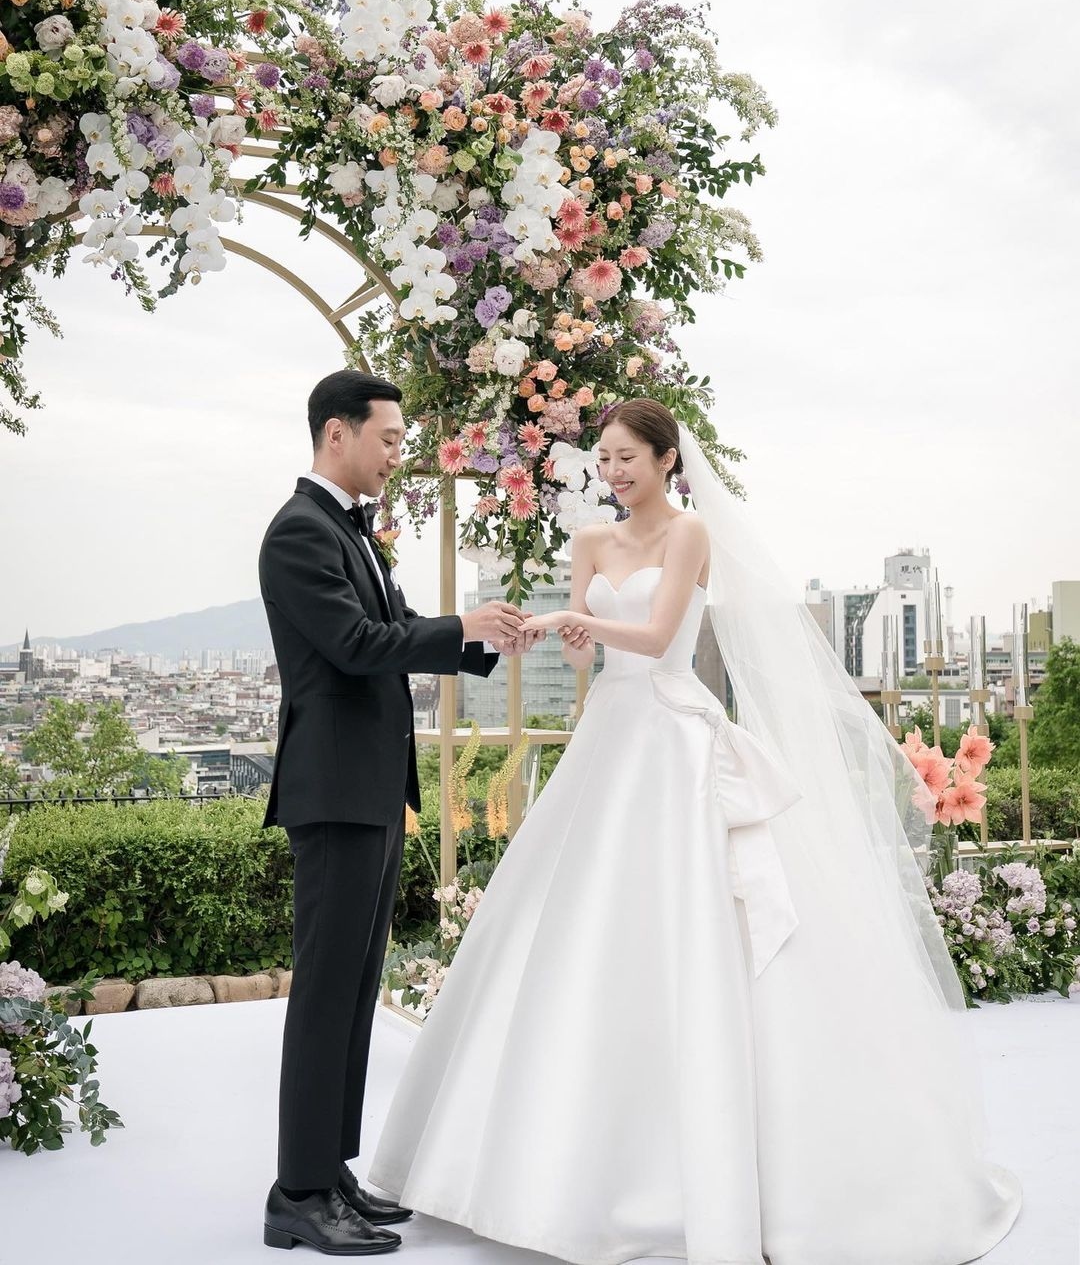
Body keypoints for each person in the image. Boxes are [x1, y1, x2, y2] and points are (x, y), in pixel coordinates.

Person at [368, 398, 1022, 1265]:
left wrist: (573, 622)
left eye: (628, 458)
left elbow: (657, 634)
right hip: (611, 732)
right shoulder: (590, 542)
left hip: (673, 732)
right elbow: (587, 655)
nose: (614, 473)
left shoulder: (690, 535)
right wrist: (548, 634)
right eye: (604, 459)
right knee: (580, 918)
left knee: (697, 913)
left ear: (667, 460)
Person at [258, 370, 543, 1256]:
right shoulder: (299, 531)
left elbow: (399, 624)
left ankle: (329, 1170)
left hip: (372, 788)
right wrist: (462, 625)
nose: (396, 455)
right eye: (387, 439)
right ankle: (297, 1193)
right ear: (336, 433)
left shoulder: (351, 529)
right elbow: (354, 646)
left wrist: (482, 637)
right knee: (326, 994)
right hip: (335, 793)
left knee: (354, 991)